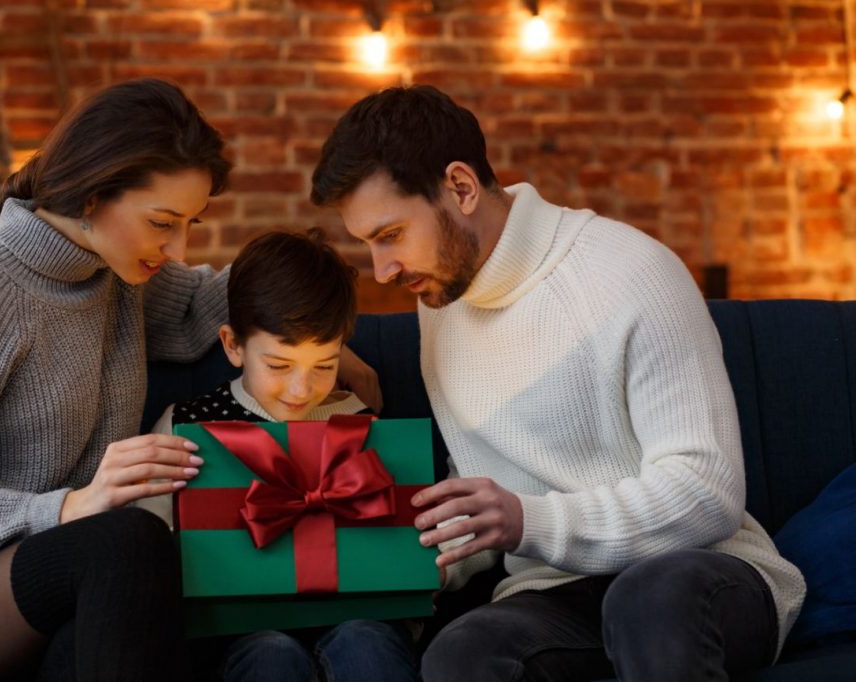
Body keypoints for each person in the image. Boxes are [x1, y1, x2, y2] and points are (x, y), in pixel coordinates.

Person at [0, 78, 378, 682]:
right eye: (163, 222)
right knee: (130, 538)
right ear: (93, 197)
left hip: (86, 599)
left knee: (196, 602)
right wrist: (72, 506)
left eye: (191, 224)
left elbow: (224, 293)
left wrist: (321, 341)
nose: (177, 249)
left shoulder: (119, 275)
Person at [310, 84, 806, 682]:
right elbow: (488, 487)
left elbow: (707, 493)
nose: (382, 270)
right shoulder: (441, 304)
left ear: (461, 188)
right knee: (460, 654)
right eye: (367, 245)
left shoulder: (632, 272)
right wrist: (421, 557)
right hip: (556, 592)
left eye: (389, 236)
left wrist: (528, 521)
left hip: (699, 571)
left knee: (648, 602)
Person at [148, 228, 418, 682]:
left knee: (367, 642)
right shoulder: (188, 426)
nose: (300, 389)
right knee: (270, 653)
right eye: (278, 365)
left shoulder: (361, 423)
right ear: (233, 345)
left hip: (357, 618)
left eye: (325, 366)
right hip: (239, 632)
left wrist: (427, 564)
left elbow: (407, 523)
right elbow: (148, 532)